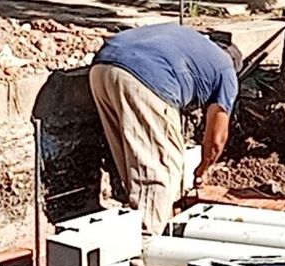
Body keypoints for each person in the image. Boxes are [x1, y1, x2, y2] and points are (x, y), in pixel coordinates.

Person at [88, 23, 242, 235]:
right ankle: (148, 246)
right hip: (146, 76)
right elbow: (216, 138)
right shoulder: (226, 70)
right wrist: (202, 169)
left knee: (132, 159)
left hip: (102, 68)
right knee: (158, 170)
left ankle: (134, 228)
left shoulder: (192, 43)